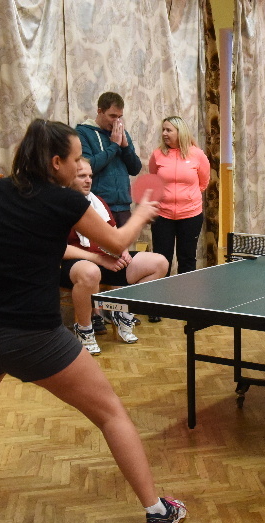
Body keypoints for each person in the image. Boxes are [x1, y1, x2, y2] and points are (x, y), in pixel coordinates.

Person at [0, 119, 187, 523]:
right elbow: (118, 243)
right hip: (35, 337)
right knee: (110, 413)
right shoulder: (65, 202)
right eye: (76, 159)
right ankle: (157, 512)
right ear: (55, 163)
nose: (81, 165)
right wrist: (141, 213)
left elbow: (30, 239)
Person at [63, 158, 169, 354]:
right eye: (82, 176)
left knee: (159, 263)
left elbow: (113, 235)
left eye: (90, 176)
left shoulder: (97, 202)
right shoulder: (58, 205)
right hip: (72, 265)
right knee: (91, 272)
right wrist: (99, 259)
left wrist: (123, 252)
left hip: (104, 260)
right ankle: (84, 329)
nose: (88, 180)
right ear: (68, 177)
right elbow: (58, 248)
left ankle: (122, 312)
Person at [148, 116, 211, 276]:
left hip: (190, 216)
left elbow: (203, 182)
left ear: (180, 132)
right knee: (162, 260)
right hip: (162, 216)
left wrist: (187, 198)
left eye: (168, 130)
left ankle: (186, 292)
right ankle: (162, 292)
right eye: (163, 130)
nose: (164, 133)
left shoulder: (197, 155)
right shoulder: (157, 155)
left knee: (187, 259)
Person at [76, 92, 142, 227]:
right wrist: (114, 146)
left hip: (123, 206)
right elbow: (89, 166)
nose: (116, 121)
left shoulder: (121, 133)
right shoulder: (83, 132)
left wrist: (125, 147)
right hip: (97, 206)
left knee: (125, 242)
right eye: (112, 116)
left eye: (119, 117)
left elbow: (135, 169)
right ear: (100, 111)